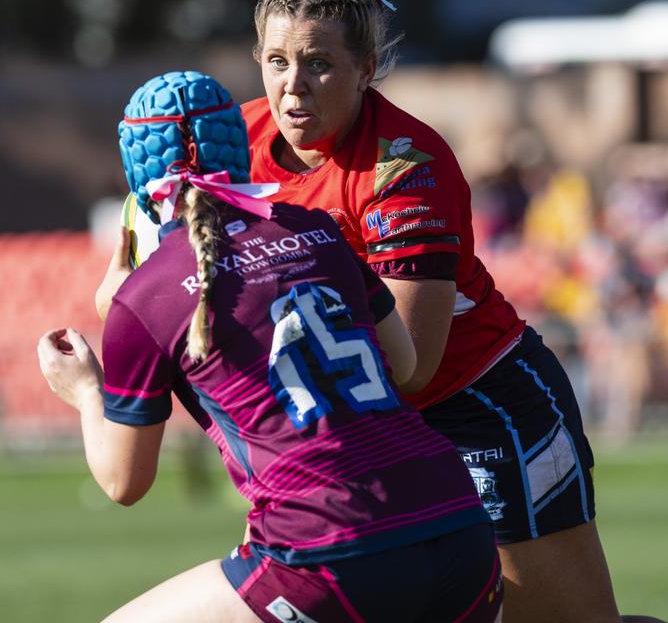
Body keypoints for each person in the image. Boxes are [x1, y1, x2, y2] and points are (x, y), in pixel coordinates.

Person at [240, 0, 660, 623]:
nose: (293, 88)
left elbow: (412, 366)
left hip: (479, 409)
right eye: (276, 60)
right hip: (358, 425)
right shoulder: (236, 143)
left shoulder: (405, 166)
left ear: (365, 70)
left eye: (319, 63)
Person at [44, 71, 503, 623]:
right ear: (239, 148)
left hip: (330, 553)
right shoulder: (319, 231)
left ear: (137, 167)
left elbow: (123, 482)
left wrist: (86, 391)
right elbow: (404, 366)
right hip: (460, 528)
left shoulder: (145, 296)